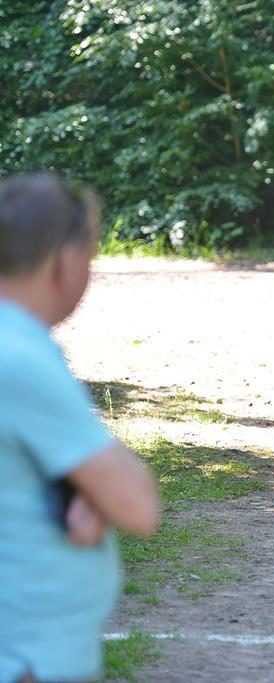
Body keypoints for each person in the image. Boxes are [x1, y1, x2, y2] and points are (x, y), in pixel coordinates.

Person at [0, 172, 160, 682]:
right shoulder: (19, 358)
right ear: (65, 261)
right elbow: (137, 506)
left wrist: (82, 490)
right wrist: (99, 492)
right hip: (23, 656)